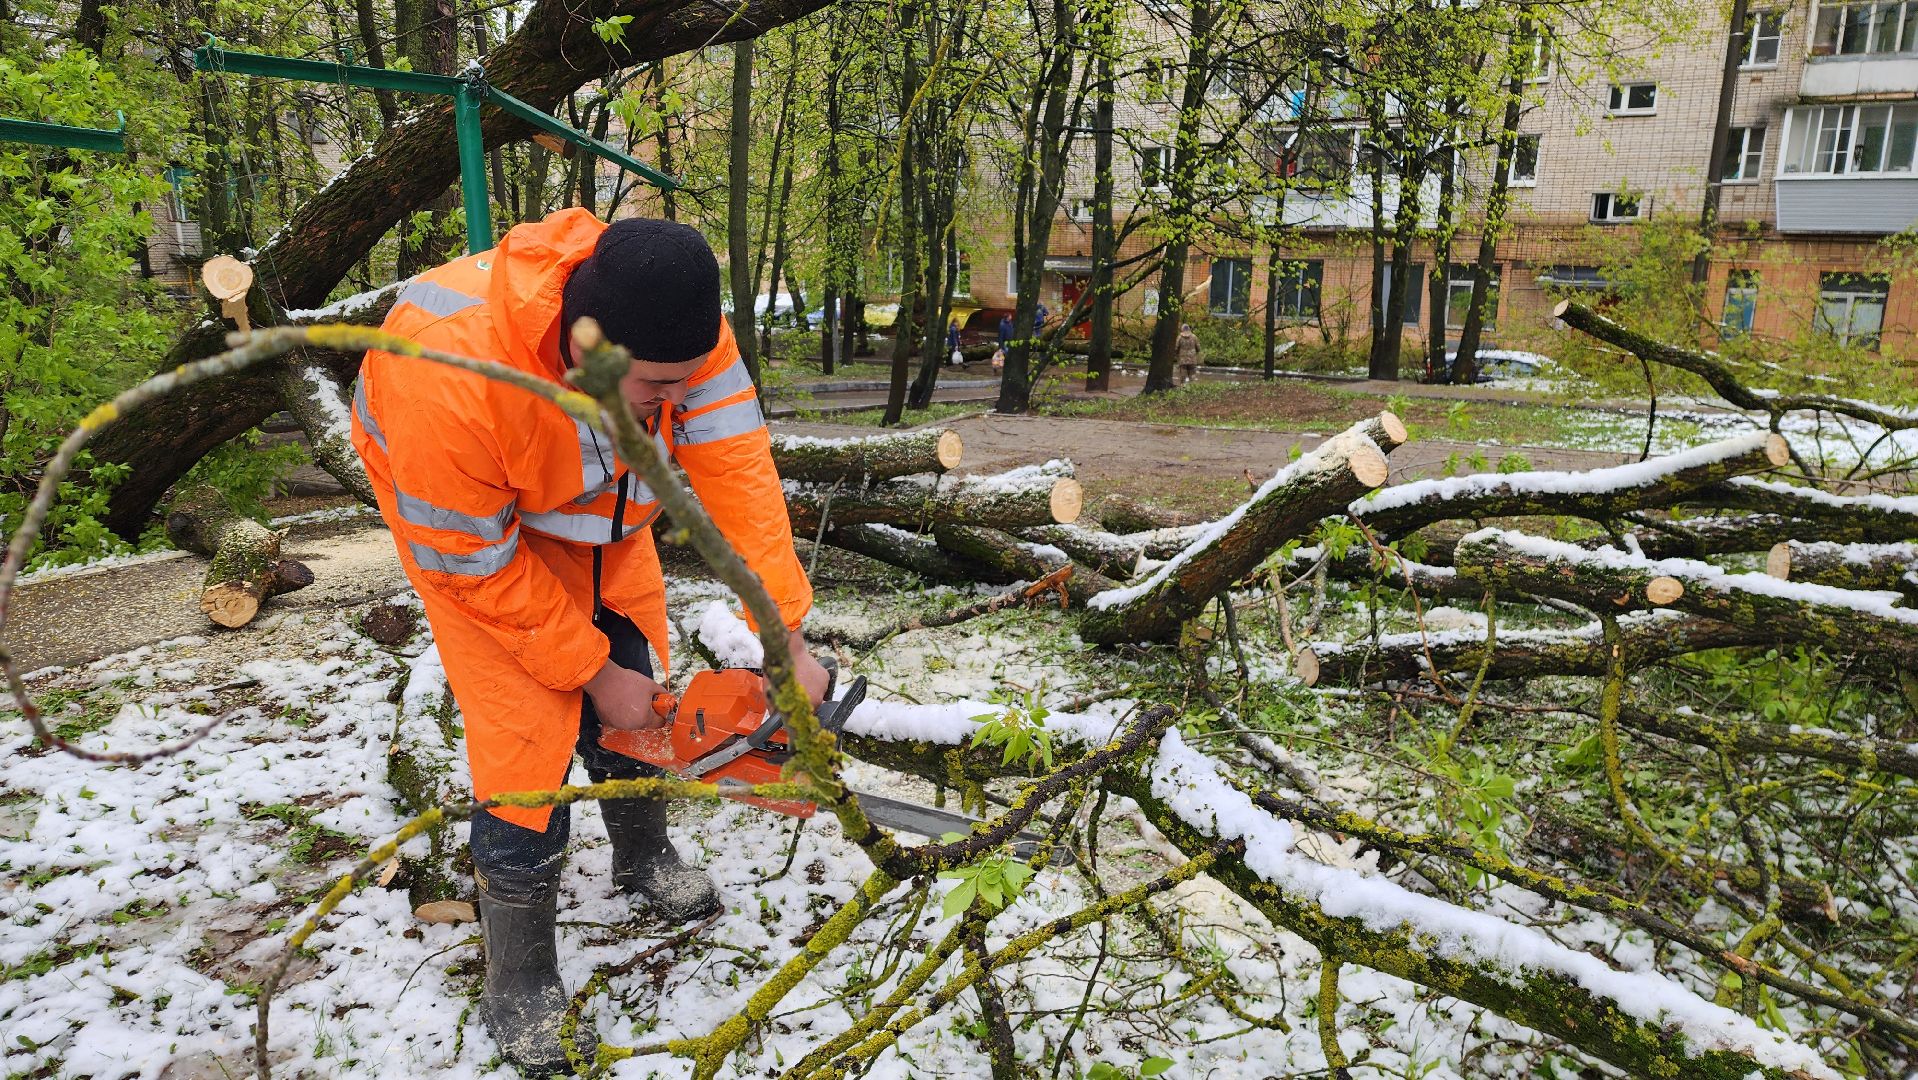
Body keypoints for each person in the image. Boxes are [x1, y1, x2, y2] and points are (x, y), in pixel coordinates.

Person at [349, 209, 829, 1073]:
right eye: (655, 390)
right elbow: (472, 563)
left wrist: (783, 633)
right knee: (525, 743)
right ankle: (519, 975)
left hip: (600, 523)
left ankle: (642, 852)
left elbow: (738, 474)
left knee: (640, 676)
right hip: (473, 542)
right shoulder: (447, 369)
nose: (672, 405)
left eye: (682, 386)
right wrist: (588, 671)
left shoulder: (683, 330)